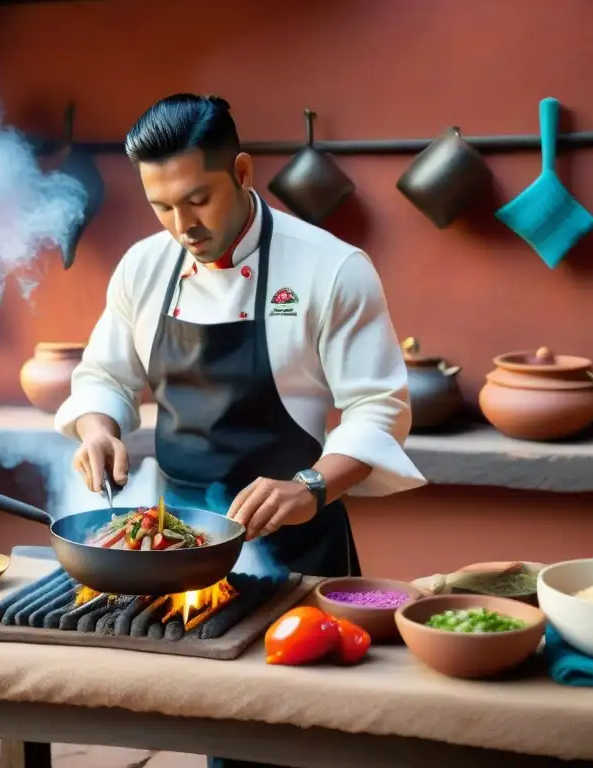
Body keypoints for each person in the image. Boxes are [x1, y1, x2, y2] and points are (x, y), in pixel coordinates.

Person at [55, 93, 426, 767]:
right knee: (212, 730)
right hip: (177, 546)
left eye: (197, 200)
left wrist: (310, 486)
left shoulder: (330, 268)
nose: (180, 225)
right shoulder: (143, 267)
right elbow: (103, 375)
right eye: (161, 206)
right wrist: (98, 427)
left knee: (302, 740)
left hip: (291, 542)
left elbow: (379, 410)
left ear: (244, 172)